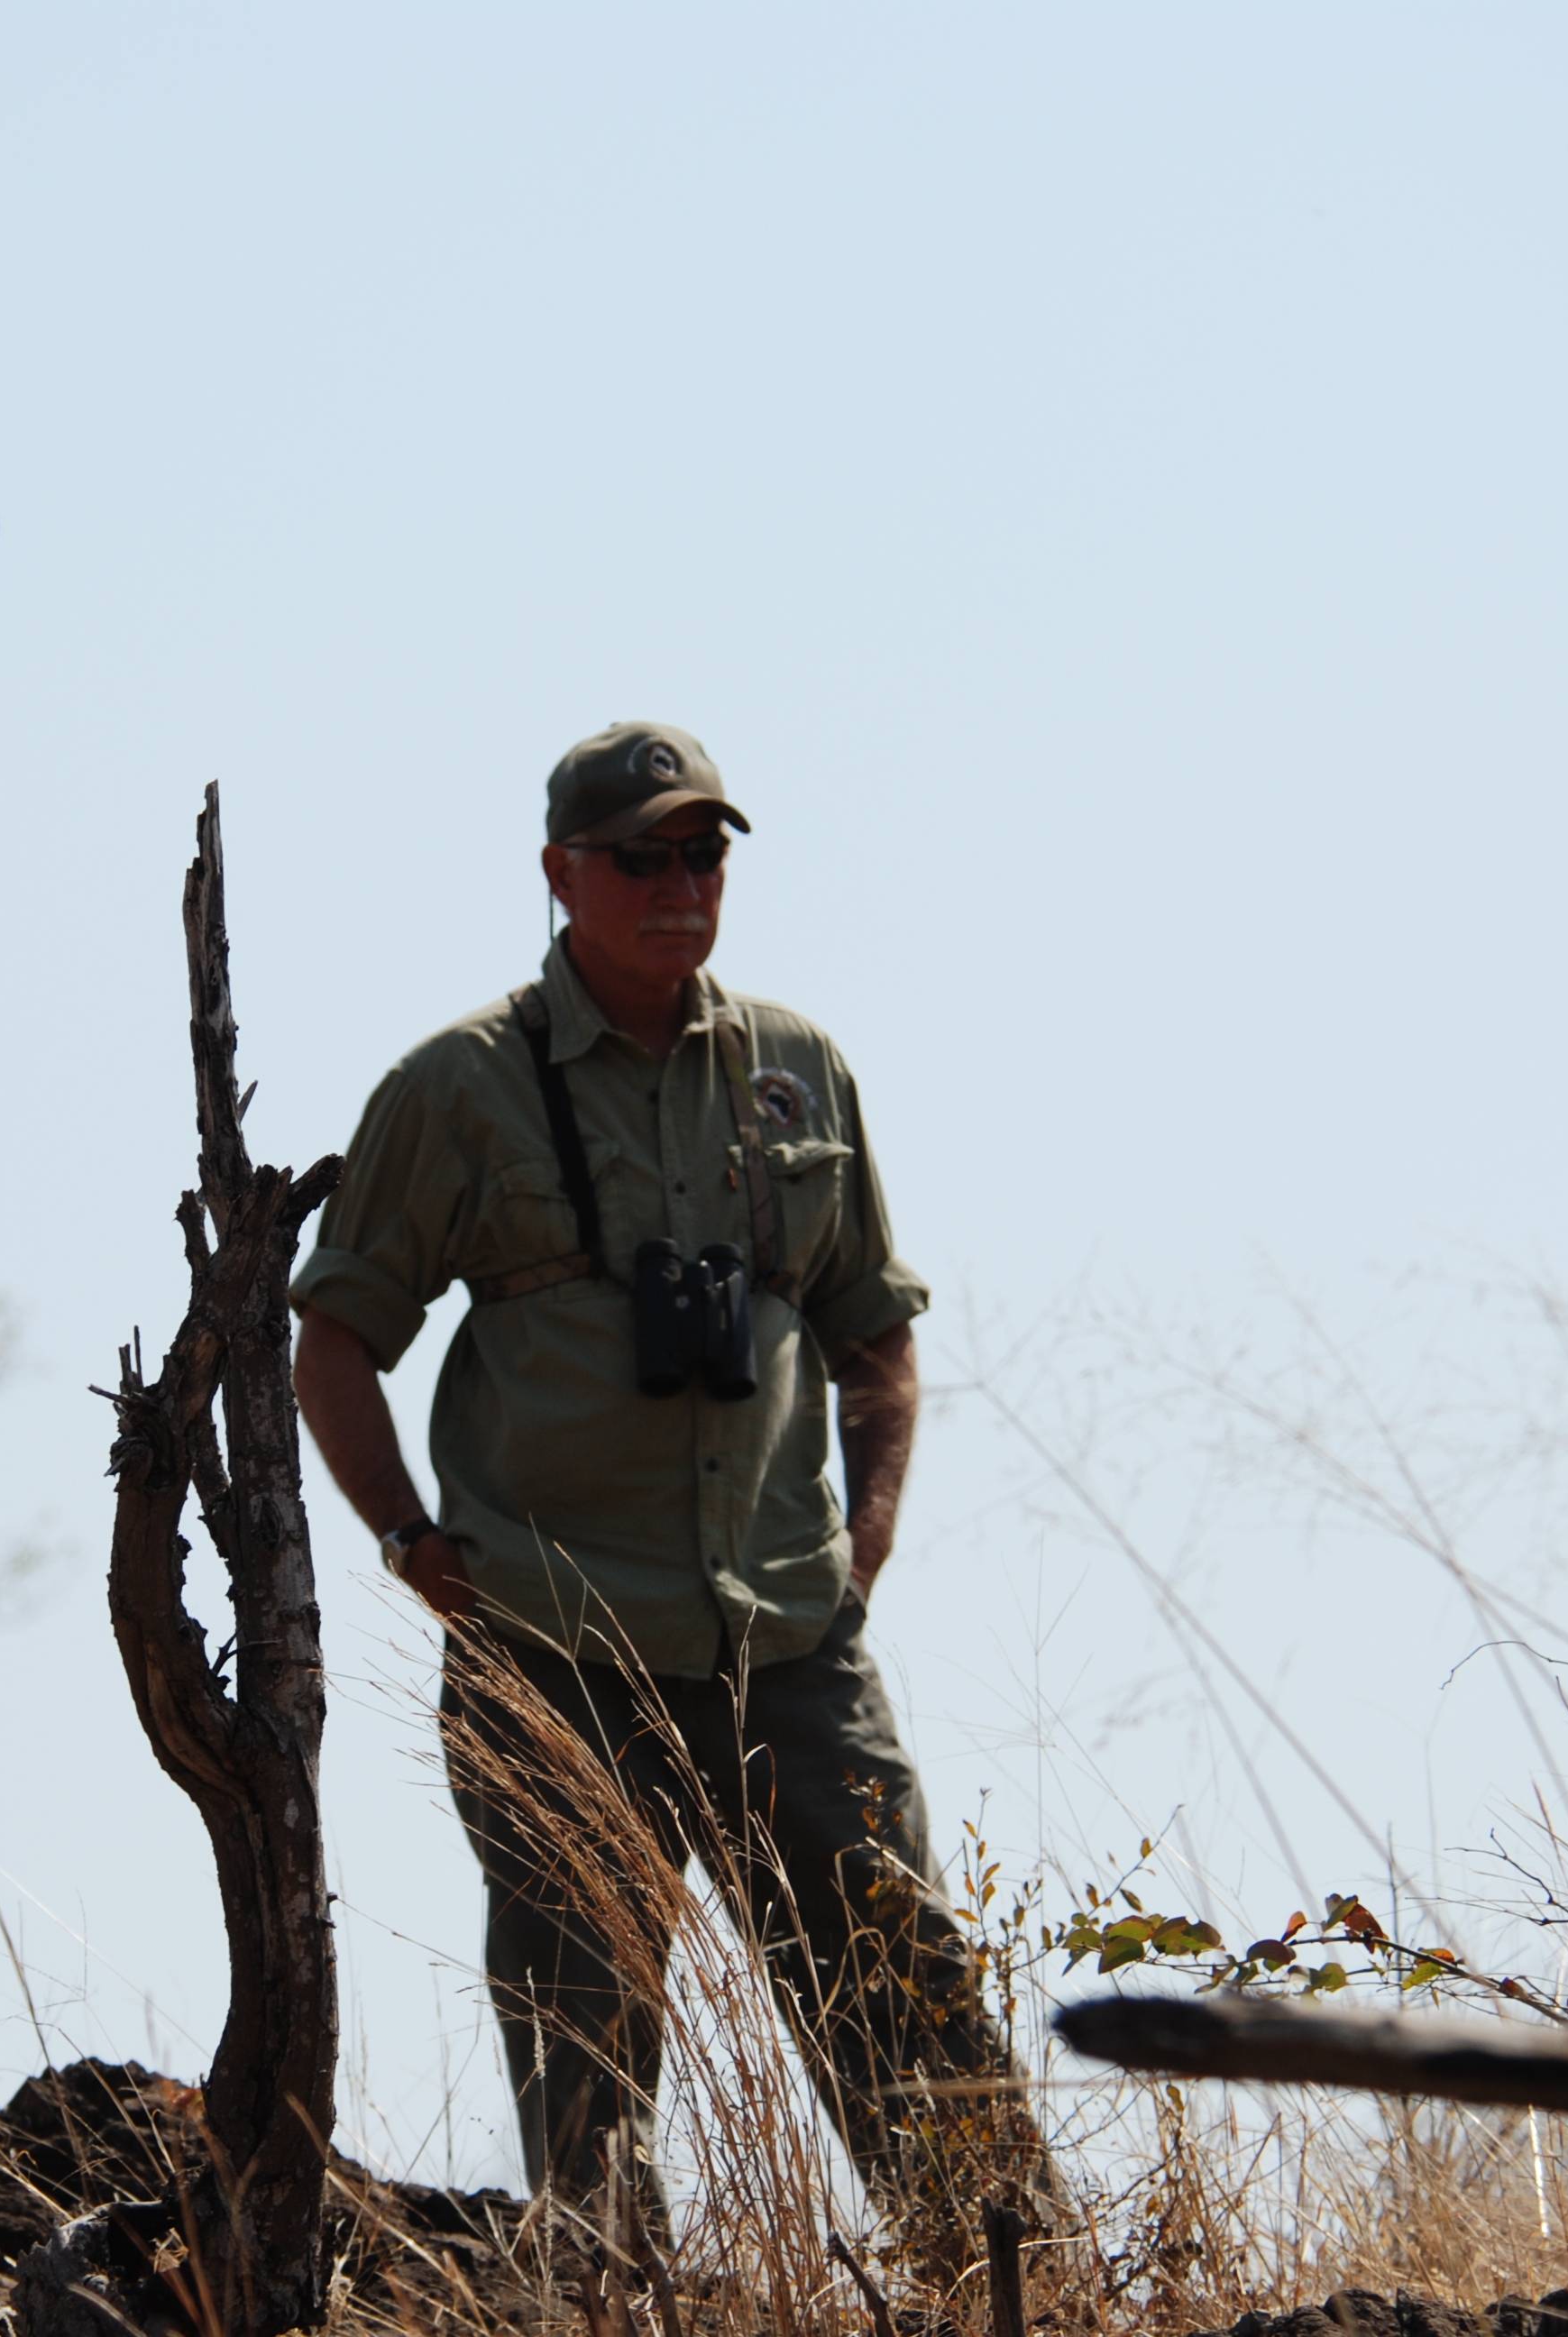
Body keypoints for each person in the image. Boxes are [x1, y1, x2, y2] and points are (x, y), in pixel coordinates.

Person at [289, 721, 1060, 2272]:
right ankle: (614, 2302)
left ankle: (1023, 2294)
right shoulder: (459, 1087)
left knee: (907, 1994)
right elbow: (335, 1340)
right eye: (640, 856)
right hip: (557, 1647)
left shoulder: (797, 1066)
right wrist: (407, 1541)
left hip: (788, 1643)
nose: (677, 883)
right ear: (562, 874)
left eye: (703, 852)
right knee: (585, 2040)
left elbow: (877, 1333)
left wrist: (867, 1536)